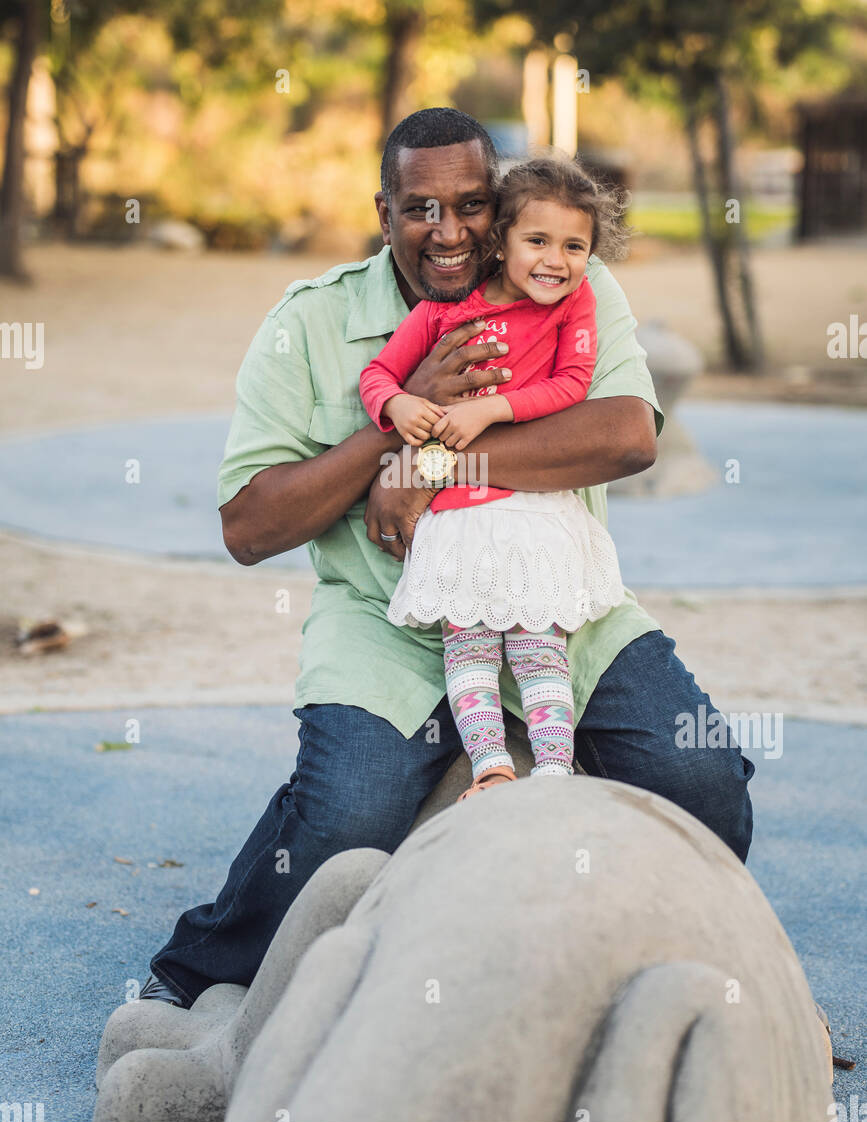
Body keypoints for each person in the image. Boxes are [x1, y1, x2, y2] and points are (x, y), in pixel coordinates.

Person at [141, 108, 754, 1009]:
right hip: (388, 618)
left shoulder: (570, 281)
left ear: (500, 207)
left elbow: (624, 436)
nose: (449, 231)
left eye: (471, 205)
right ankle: (193, 973)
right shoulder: (311, 323)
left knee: (699, 779)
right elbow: (248, 527)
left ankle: (717, 981)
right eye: (421, 209)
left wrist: (430, 462)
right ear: (383, 212)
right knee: (344, 818)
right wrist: (380, 447)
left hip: (557, 599)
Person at [359, 154, 627, 795]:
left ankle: (555, 772)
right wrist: (398, 405)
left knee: (540, 650)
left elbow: (573, 383)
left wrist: (491, 409)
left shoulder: (574, 304)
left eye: (574, 246)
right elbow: (377, 375)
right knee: (470, 651)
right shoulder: (442, 311)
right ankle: (493, 769)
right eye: (537, 241)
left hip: (532, 513)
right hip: (458, 519)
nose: (555, 261)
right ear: (501, 239)